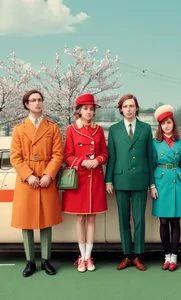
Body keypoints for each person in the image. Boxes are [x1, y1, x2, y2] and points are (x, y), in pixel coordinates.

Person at [10, 90, 63, 277]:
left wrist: (49, 174)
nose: (37, 103)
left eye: (40, 100)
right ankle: (30, 261)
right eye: (33, 100)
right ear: (26, 104)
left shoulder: (53, 127)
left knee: (46, 221)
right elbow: (15, 157)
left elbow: (58, 154)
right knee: (27, 222)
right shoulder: (18, 129)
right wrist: (29, 176)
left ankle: (46, 260)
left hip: (46, 180)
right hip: (27, 182)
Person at [105, 94, 154, 271]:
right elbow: (111, 156)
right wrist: (108, 179)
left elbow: (150, 157)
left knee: (140, 219)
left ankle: (138, 256)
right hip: (120, 180)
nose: (128, 109)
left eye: (132, 106)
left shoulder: (146, 129)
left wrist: (152, 182)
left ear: (137, 108)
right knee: (123, 219)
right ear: (120, 109)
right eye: (125, 106)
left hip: (141, 179)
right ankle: (127, 255)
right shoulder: (115, 129)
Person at [62, 93, 108, 273]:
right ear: (79, 110)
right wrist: (81, 162)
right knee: (80, 218)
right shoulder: (71, 130)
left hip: (95, 178)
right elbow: (67, 155)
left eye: (91, 109)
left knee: (92, 218)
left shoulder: (99, 130)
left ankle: (89, 257)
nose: (89, 112)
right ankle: (81, 256)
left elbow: (105, 153)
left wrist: (97, 160)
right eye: (86, 109)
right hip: (79, 179)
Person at [151, 105, 181, 271]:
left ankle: (174, 257)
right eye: (163, 124)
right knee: (163, 220)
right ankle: (166, 256)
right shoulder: (154, 143)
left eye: (169, 122)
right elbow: (151, 164)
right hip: (161, 182)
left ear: (173, 124)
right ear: (159, 126)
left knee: (175, 221)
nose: (166, 126)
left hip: (177, 182)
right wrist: (152, 185)